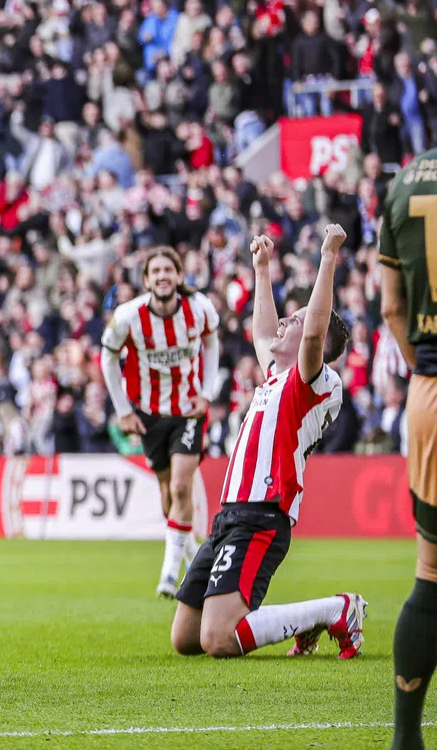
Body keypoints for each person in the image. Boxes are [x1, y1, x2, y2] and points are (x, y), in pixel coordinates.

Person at [171, 227, 365, 661]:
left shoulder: (310, 382)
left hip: (261, 514)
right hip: (229, 516)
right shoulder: (278, 378)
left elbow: (313, 335)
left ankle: (337, 609)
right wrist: (261, 270)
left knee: (218, 640)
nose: (284, 321)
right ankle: (310, 619)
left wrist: (328, 257)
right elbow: (263, 334)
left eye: (294, 320)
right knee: (185, 639)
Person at [100, 247, 220, 598]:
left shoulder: (200, 308)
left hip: (188, 411)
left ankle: (170, 577)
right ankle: (196, 559)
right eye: (156, 271)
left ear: (179, 276)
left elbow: (212, 344)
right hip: (149, 415)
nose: (163, 276)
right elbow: (107, 359)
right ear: (147, 280)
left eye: (169, 269)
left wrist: (207, 393)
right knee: (168, 498)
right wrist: (123, 409)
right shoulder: (128, 316)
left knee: (183, 488)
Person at [379, 149, 437, 749]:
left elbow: (392, 307)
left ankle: (405, 739)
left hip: (431, 396)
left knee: (430, 571)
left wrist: (425, 369)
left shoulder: (404, 182)